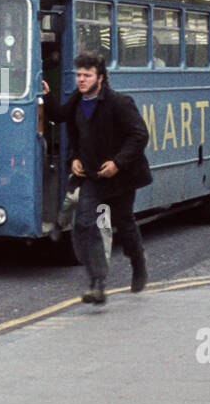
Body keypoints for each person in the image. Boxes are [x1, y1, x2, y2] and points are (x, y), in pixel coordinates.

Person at [42, 52, 152, 304]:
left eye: (87, 75)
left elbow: (139, 135)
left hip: (121, 176)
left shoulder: (120, 102)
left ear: (100, 78)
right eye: (79, 75)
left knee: (124, 223)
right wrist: (74, 158)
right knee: (83, 224)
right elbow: (61, 118)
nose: (81, 80)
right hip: (92, 175)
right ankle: (97, 283)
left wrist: (118, 163)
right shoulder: (77, 100)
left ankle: (138, 263)